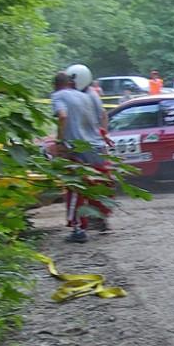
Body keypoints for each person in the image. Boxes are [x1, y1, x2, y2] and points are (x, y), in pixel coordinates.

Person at [53, 64, 112, 242]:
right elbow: (101, 117)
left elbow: (63, 116)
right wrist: (102, 135)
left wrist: (60, 141)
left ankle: (78, 228)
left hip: (78, 147)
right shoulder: (87, 95)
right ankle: (101, 218)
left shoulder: (59, 95)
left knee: (75, 188)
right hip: (96, 145)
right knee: (97, 184)